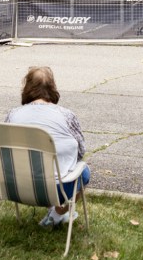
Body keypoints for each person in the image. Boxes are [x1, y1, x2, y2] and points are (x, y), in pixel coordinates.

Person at [5, 66, 89, 228]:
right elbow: (81, 151)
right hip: (57, 190)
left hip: (15, 186)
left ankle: (54, 213)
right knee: (83, 171)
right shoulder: (66, 116)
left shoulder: (13, 114)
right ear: (52, 87)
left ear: (27, 88)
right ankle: (57, 214)